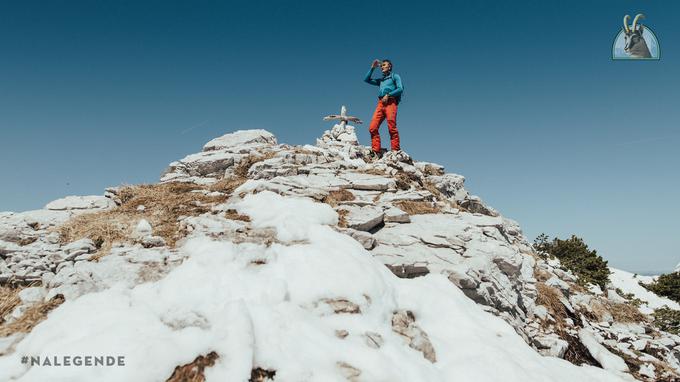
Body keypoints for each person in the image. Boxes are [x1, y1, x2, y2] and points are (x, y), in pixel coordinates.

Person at [363, 59, 404, 157]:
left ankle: (395, 150)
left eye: (384, 65)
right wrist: (372, 68)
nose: (382, 67)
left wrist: (388, 95)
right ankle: (376, 150)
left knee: (391, 126)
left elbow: (400, 89)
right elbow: (366, 79)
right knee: (372, 127)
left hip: (391, 102)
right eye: (381, 66)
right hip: (381, 103)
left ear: (389, 67)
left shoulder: (394, 76)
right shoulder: (381, 80)